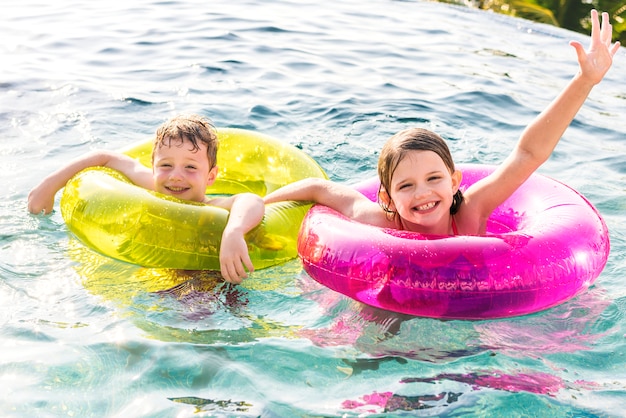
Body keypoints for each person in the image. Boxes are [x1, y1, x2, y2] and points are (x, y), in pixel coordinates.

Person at [264, 10, 620, 237]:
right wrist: (253, 204)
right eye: (406, 186)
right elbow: (319, 189)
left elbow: (528, 154)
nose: (422, 193)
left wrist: (584, 81)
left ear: (454, 181)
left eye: (434, 179)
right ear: (387, 197)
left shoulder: (470, 213)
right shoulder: (378, 222)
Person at [28, 114, 264, 284]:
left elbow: (251, 200)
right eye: (166, 165)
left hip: (205, 279)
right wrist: (50, 186)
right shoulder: (153, 187)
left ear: (211, 176)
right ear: (153, 168)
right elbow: (105, 158)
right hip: (153, 275)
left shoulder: (210, 206)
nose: (176, 176)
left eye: (190, 167)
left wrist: (233, 231)